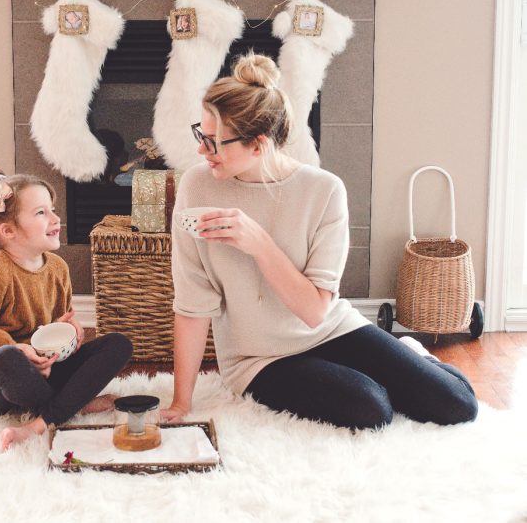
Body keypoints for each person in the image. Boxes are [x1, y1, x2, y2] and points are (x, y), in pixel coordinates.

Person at [161, 53, 478, 430]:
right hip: (258, 359)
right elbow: (192, 305)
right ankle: (377, 373)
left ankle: (412, 357)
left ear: (259, 144)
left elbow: (314, 312)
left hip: (329, 329)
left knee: (457, 404)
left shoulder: (323, 191)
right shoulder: (197, 187)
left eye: (214, 142)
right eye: (202, 134)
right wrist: (181, 403)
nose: (201, 150)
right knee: (372, 408)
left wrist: (259, 243)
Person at [0, 168, 132, 450]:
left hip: (44, 370)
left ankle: (47, 415)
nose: (56, 219)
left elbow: (56, 322)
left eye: (53, 210)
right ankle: (70, 404)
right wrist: (17, 348)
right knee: (7, 358)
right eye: (41, 213)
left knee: (119, 345)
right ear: (8, 231)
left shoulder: (57, 268)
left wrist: (69, 329)